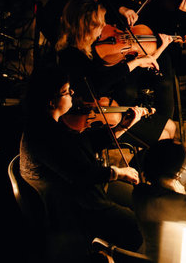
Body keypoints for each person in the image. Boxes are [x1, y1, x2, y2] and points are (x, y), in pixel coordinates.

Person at [19, 69, 144, 256]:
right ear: (51, 101)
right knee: (138, 225)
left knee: (136, 200)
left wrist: (122, 127)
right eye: (66, 91)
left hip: (78, 192)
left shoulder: (49, 123)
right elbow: (81, 174)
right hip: (75, 206)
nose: (72, 94)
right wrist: (117, 172)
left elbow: (84, 143)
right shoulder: (47, 134)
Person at [55, 0, 178, 142]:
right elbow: (97, 86)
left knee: (171, 127)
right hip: (96, 116)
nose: (104, 26)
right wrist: (136, 62)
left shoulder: (89, 45)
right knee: (164, 136)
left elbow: (109, 73)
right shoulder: (71, 55)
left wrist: (145, 58)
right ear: (87, 27)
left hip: (111, 104)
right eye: (100, 24)